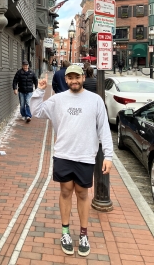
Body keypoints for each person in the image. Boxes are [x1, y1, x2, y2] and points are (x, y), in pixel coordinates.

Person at [30, 64, 113, 257]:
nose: (74, 81)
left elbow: (104, 129)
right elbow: (37, 112)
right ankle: (65, 232)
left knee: (82, 193)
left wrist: (108, 155)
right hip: (63, 154)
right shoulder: (58, 99)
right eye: (70, 78)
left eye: (77, 77)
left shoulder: (95, 100)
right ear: (66, 80)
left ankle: (83, 234)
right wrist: (39, 92)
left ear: (83, 77)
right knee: (66, 191)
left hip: (85, 155)